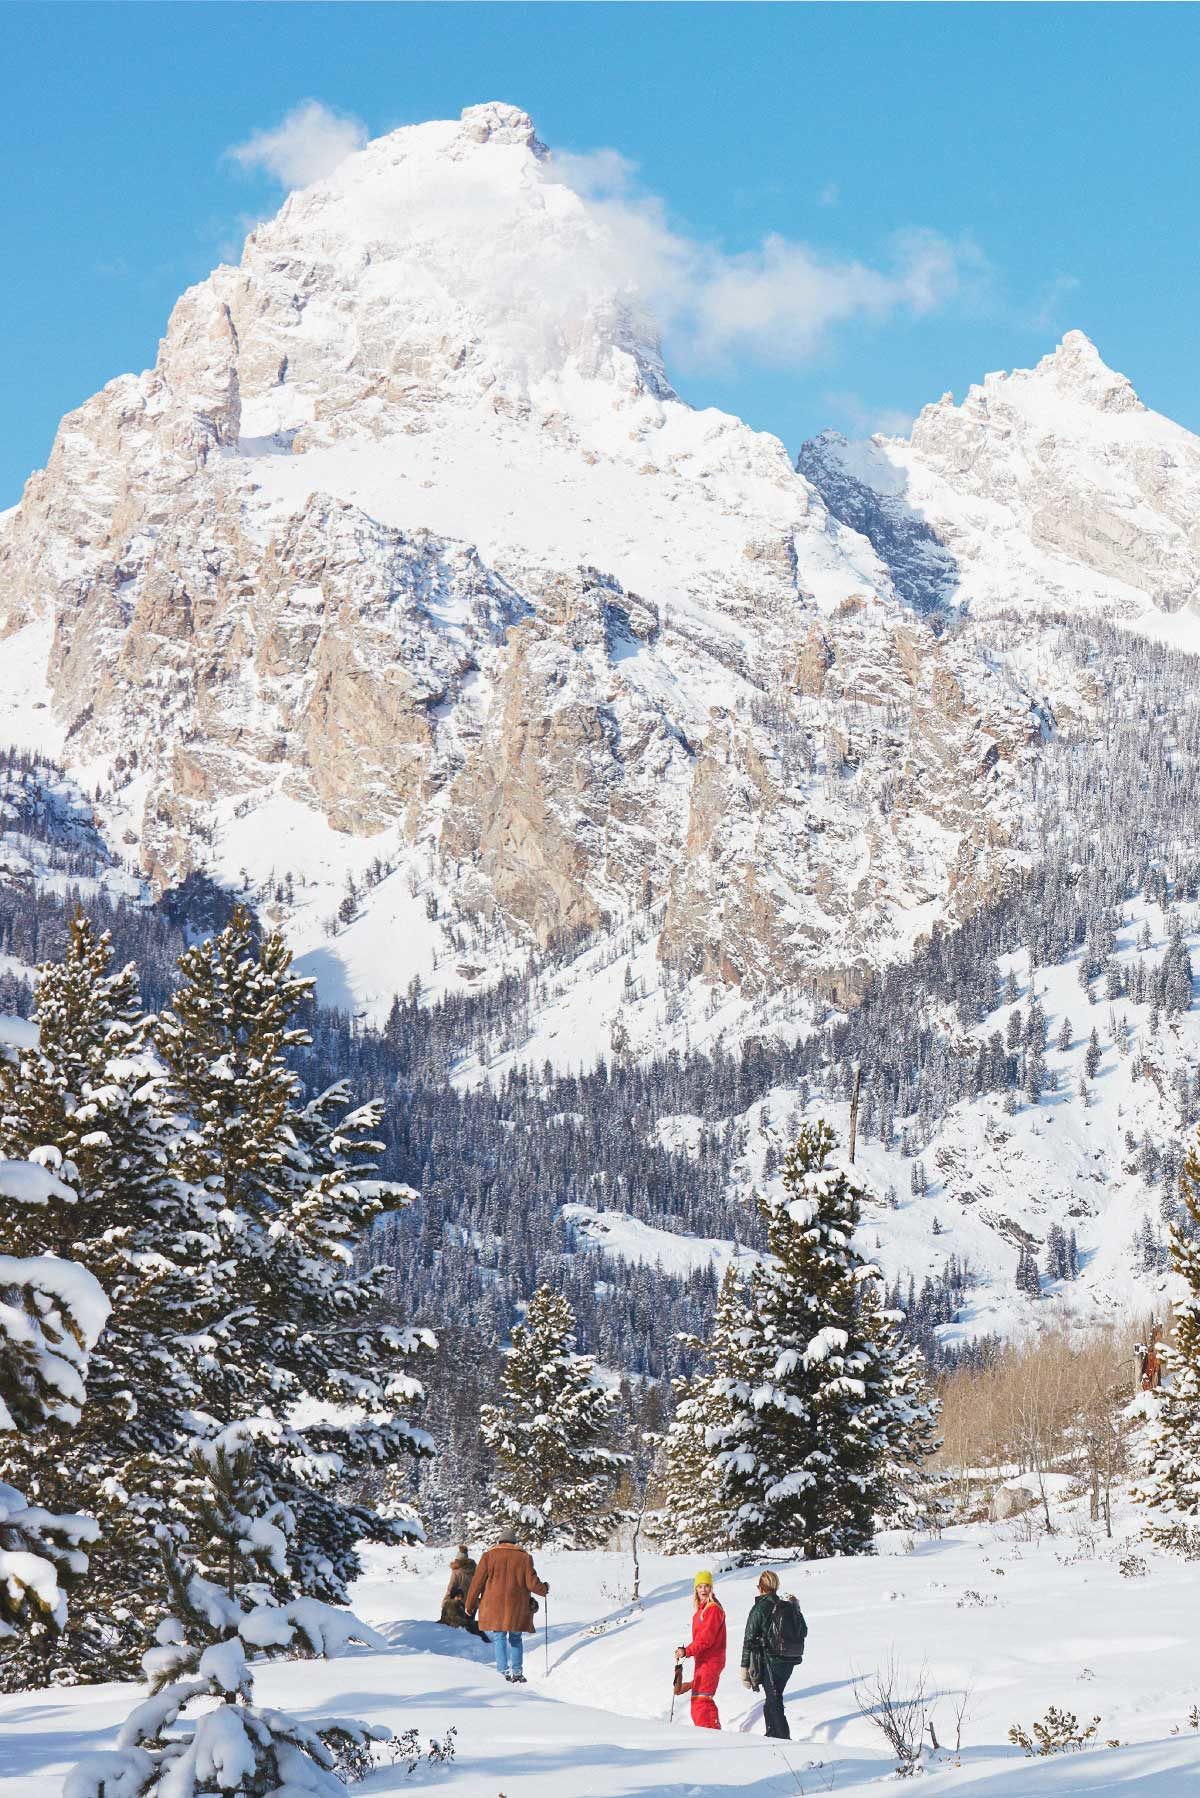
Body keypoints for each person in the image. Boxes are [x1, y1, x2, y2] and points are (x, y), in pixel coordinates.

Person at [465, 1530, 549, 1684]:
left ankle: (502, 1673)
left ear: (500, 1541)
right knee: (516, 1638)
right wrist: (544, 1589)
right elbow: (532, 1583)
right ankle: (517, 1672)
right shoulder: (524, 1557)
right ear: (514, 1542)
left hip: (494, 1606)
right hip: (517, 1606)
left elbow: (477, 1583)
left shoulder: (489, 1556)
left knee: (499, 1637)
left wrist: (469, 1604)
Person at [740, 1569, 806, 1739]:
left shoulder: (760, 1608)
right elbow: (803, 1630)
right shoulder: (785, 1605)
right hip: (789, 1659)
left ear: (760, 1587)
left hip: (771, 1661)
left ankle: (783, 1737)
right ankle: (772, 1734)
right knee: (772, 1699)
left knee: (774, 1699)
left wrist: (744, 1667)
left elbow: (749, 1638)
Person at [675, 1569, 726, 1729]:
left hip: (711, 1660)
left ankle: (713, 1736)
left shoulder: (712, 1609)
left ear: (711, 1588)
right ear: (696, 1589)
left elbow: (706, 1638)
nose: (703, 1590)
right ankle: (708, 1735)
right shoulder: (701, 1611)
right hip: (703, 1660)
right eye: (700, 1586)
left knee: (701, 1701)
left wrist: (687, 1651)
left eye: (707, 1586)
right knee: (698, 1701)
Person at [439, 1546, 490, 1642]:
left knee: (463, 1628)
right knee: (470, 1624)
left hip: (459, 1603)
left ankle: (470, 1645)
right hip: (472, 1603)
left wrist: (445, 1602)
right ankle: (480, 1642)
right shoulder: (475, 1570)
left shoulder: (456, 1572)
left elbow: (450, 1589)